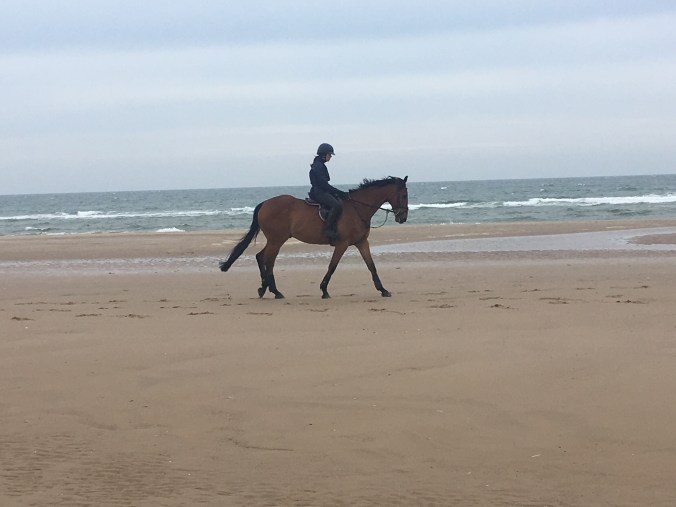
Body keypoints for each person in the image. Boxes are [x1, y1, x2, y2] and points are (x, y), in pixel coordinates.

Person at [308, 143, 349, 245]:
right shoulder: (318, 166)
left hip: (322, 191)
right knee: (336, 206)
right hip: (319, 192)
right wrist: (340, 193)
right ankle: (328, 230)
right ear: (324, 155)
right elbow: (324, 185)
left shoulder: (320, 165)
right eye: (329, 154)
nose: (330, 157)